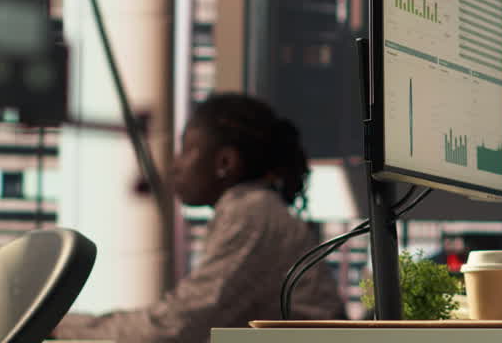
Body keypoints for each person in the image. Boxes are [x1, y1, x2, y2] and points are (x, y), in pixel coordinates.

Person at [54, 94, 346, 343]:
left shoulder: (251, 214)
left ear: (225, 163)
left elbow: (177, 326)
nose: (175, 166)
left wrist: (57, 327)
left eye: (186, 150)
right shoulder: (255, 209)